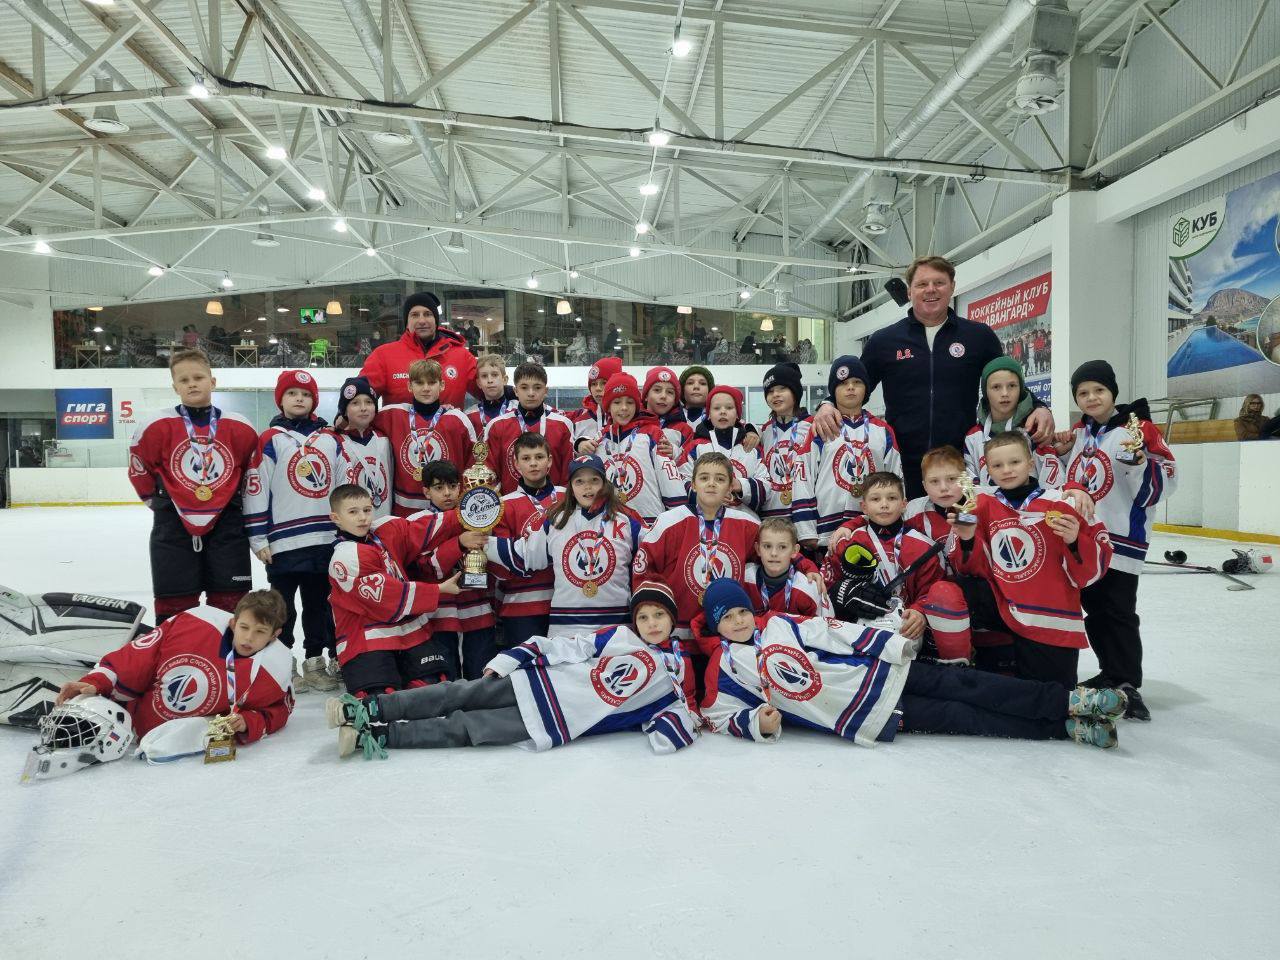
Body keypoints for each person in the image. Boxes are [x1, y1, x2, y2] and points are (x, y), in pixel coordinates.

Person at [694, 578, 1126, 749]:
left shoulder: (780, 624)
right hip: (866, 714)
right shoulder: (724, 668)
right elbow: (717, 713)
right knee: (962, 717)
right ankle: (1064, 728)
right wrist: (755, 724)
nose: (738, 621)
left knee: (970, 685)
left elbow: (837, 632)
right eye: (727, 618)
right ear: (716, 625)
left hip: (883, 672)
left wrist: (889, 646)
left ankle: (1068, 700)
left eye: (742, 611)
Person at [324, 581, 697, 759]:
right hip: (536, 682)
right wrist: (514, 658)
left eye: (659, 615)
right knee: (456, 693)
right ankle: (369, 708)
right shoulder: (619, 636)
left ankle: (376, 737)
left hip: (550, 722)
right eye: (643, 616)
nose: (651, 623)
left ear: (672, 619)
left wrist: (687, 715)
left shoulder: (671, 684)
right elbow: (566, 647)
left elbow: (666, 740)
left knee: (464, 727)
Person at [809, 256, 1054, 496]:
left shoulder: (978, 336)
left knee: (963, 517)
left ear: (952, 287)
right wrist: (827, 404)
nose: (930, 290)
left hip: (961, 462)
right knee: (908, 521)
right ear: (909, 291)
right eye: (922, 284)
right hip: (902, 464)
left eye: (939, 283)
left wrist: (1039, 407)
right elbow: (856, 385)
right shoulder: (884, 341)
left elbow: (1006, 381)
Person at [1054, 360, 1178, 721]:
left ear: (1113, 392)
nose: (1091, 397)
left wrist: (1140, 462)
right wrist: (1060, 450)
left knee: (1119, 611)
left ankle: (1126, 682)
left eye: (1099, 390)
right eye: (1083, 392)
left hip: (1123, 540)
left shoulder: (1139, 429)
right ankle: (1109, 671)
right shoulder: (1082, 432)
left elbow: (1167, 479)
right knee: (1095, 609)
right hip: (1087, 542)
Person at [949, 432, 1111, 689]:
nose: (1007, 470)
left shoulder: (1063, 503)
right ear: (987, 470)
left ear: (1031, 463)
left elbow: (1095, 569)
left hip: (1050, 619)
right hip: (1001, 611)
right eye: (997, 465)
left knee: (1052, 699)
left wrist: (1074, 541)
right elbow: (970, 568)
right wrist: (967, 539)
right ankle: (954, 665)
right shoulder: (980, 505)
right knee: (947, 591)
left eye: (1015, 462)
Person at [55, 590, 294, 747]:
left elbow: (278, 711)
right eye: (244, 627)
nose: (249, 638)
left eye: (260, 632)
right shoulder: (194, 625)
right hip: (127, 730)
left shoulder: (274, 672)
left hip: (179, 750)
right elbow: (137, 657)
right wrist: (96, 682)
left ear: (275, 635)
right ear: (233, 623)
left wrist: (247, 721)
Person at [127, 348, 259, 621]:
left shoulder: (240, 427)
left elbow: (252, 472)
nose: (192, 384)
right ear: (175, 387)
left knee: (230, 605)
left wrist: (236, 506)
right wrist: (163, 505)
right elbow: (140, 469)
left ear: (213, 381)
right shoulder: (156, 426)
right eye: (184, 380)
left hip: (228, 527)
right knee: (174, 607)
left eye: (198, 377)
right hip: (173, 528)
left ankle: (223, 651)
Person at [244, 370, 340, 692]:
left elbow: (342, 485)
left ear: (314, 400)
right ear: (280, 399)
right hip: (282, 542)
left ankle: (314, 660)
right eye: (292, 393)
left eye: (306, 394)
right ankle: (283, 662)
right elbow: (256, 487)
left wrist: (343, 531)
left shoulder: (329, 439)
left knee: (318, 606)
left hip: (324, 539)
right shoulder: (270, 439)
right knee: (283, 608)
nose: (299, 399)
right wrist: (258, 537)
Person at [326, 484, 468, 697]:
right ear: (336, 518)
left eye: (367, 510)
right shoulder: (345, 557)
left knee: (433, 688)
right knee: (379, 698)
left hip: (409, 630)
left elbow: (424, 528)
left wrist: (467, 514)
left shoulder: (384, 529)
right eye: (353, 512)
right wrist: (438, 590)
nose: (363, 517)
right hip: (366, 637)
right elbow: (388, 597)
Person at [488, 455, 644, 637]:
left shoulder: (626, 520)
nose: (587, 487)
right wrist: (483, 544)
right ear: (570, 487)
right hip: (565, 631)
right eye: (579, 481)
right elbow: (524, 556)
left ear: (604, 484)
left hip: (617, 631)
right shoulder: (556, 521)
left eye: (594, 480)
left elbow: (651, 558)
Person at [825, 472, 971, 663]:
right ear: (864, 507)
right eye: (875, 499)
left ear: (904, 504)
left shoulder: (924, 546)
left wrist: (920, 612)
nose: (884, 504)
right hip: (860, 627)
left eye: (892, 498)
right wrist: (840, 592)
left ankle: (951, 662)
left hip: (908, 627)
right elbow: (827, 586)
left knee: (945, 591)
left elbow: (930, 590)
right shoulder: (847, 542)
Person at [634, 451, 768, 646]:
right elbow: (644, 571)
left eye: (720, 479)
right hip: (677, 635)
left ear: (730, 486)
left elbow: (774, 555)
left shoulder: (747, 524)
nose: (711, 484)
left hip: (729, 635)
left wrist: (806, 567)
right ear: (693, 485)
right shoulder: (668, 522)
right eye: (704, 478)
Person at [804, 356, 901, 552]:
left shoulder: (883, 430)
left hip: (873, 525)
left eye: (857, 382)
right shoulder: (820, 427)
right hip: (825, 528)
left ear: (866, 389)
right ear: (833, 390)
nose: (850, 387)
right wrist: (806, 530)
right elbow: (804, 477)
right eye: (843, 383)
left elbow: (896, 477)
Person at [575, 372, 686, 524]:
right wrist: (580, 445)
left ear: (637, 405)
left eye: (630, 402)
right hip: (611, 524)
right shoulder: (600, 438)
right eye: (617, 402)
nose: (624, 408)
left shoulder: (652, 434)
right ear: (608, 406)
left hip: (649, 522)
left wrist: (678, 515)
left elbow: (668, 476)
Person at [489, 433, 564, 651]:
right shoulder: (503, 505)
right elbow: (502, 566)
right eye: (526, 458)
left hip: (564, 603)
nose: (533, 463)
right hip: (520, 608)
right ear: (516, 464)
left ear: (550, 461)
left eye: (539, 457)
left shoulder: (568, 497)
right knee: (525, 668)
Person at [375, 358, 477, 517]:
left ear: (442, 385)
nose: (426, 388)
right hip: (404, 513)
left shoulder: (457, 419)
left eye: (431, 382)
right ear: (409, 386)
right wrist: (341, 421)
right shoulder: (392, 415)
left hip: (448, 511)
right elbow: (360, 420)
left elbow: (473, 464)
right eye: (419, 383)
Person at [359, 291, 478, 408]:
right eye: (415, 315)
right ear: (407, 322)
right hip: (399, 422)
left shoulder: (462, 356)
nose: (421, 321)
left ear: (436, 320)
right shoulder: (384, 355)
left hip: (449, 422)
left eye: (427, 314)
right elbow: (359, 396)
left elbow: (486, 391)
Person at [963, 356, 1063, 488]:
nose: (1005, 393)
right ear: (986, 392)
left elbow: (1053, 484)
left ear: (1021, 389)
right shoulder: (973, 437)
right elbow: (970, 485)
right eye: (996, 387)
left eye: (1012, 385)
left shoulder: (1034, 429)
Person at [483, 361, 575, 494]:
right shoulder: (497, 426)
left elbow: (568, 474)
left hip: (554, 504)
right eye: (524, 387)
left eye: (537, 387)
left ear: (545, 391)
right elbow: (490, 473)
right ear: (516, 391)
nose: (531, 393)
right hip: (510, 504)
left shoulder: (562, 425)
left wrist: (562, 502)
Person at [756, 362, 817, 552]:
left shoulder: (813, 425)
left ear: (795, 392)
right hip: (771, 517)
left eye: (782, 388)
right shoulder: (764, 431)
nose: (775, 394)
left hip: (806, 519)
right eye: (770, 391)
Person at [677, 386, 766, 514]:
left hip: (745, 520)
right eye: (716, 408)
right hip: (705, 520)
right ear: (709, 414)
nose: (723, 412)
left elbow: (766, 485)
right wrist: (708, 497)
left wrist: (739, 485)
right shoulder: (696, 447)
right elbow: (682, 481)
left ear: (738, 414)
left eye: (729, 408)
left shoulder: (752, 448)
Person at [332, 375, 393, 519]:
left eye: (369, 402)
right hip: (353, 524)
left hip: (385, 521)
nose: (363, 408)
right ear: (344, 410)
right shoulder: (336, 442)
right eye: (355, 403)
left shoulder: (384, 440)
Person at [744, 519, 830, 617]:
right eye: (767, 546)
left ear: (795, 551)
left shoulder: (809, 588)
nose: (774, 553)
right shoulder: (744, 579)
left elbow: (826, 624)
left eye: (782, 547)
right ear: (758, 549)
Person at [568, 356, 623, 446]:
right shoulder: (578, 418)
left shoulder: (630, 417)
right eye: (593, 384)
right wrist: (578, 446)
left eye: (604, 383)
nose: (598, 388)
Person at [643, 366, 694, 452]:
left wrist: (675, 452)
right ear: (646, 396)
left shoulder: (684, 430)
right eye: (657, 390)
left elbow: (690, 458)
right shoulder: (633, 424)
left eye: (670, 392)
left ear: (675, 401)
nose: (663, 396)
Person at [467, 353, 517, 437]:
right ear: (478, 383)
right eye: (484, 376)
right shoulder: (469, 415)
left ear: (504, 380)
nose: (490, 380)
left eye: (494, 375)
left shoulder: (518, 410)